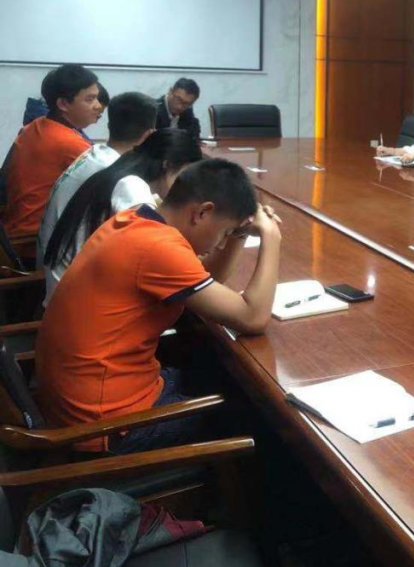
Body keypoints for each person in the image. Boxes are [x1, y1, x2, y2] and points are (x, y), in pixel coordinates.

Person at [36, 158, 281, 453]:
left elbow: (207, 280)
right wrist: (271, 236)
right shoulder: (158, 248)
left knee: (215, 370)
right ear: (203, 212)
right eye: (224, 232)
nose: (221, 243)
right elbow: (253, 318)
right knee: (259, 413)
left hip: (83, 397)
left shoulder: (137, 220)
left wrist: (237, 232)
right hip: (104, 424)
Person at [41, 129, 204, 304]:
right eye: (183, 177)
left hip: (68, 290)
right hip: (76, 300)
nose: (185, 188)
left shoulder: (121, 172)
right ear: (168, 165)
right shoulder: (132, 187)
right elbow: (159, 251)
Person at [37, 92, 158, 273]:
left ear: (109, 125)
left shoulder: (90, 154)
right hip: (76, 282)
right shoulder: (125, 180)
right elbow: (155, 243)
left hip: (51, 273)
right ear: (149, 135)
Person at [1, 65, 101, 238]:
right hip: (34, 239)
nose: (98, 106)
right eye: (90, 99)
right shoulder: (71, 144)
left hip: (12, 230)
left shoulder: (34, 126)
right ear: (62, 104)